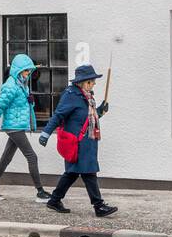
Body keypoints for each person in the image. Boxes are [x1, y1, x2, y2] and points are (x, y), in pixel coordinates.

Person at [39, 64, 117, 217]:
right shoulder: (71, 95)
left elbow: (87, 118)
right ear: (84, 82)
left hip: (87, 141)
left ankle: (54, 200)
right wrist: (46, 133)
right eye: (92, 81)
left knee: (72, 173)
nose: (94, 83)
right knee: (88, 172)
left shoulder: (86, 96)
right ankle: (98, 206)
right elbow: (58, 115)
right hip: (78, 143)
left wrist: (100, 110)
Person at [0, 53, 50, 201]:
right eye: (26, 71)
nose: (28, 74)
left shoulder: (21, 85)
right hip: (13, 127)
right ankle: (40, 192)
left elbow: (21, 107)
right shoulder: (11, 86)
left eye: (29, 71)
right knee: (32, 157)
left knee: (6, 158)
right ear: (18, 70)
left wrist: (30, 101)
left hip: (17, 126)